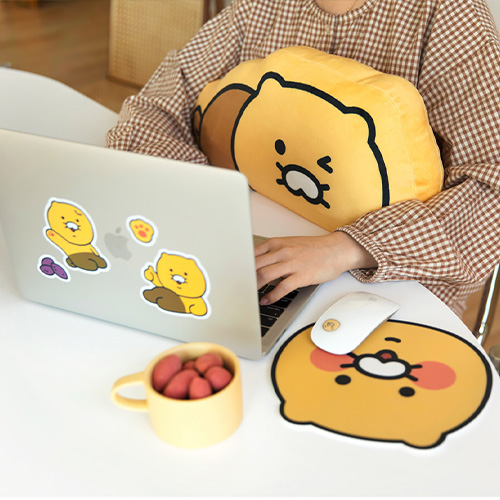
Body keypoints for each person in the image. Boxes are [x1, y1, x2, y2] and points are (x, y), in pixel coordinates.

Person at [106, 0, 500, 317]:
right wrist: (204, 198)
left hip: (386, 283)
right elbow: (157, 105)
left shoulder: (447, 14)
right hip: (254, 245)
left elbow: (492, 189)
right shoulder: (259, 8)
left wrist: (348, 247)